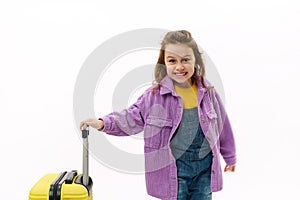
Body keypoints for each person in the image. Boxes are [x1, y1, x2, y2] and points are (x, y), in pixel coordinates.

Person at [80, 30, 236, 200]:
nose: (179, 66)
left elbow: (223, 125)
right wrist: (103, 123)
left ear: (195, 61)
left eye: (185, 60)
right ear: (164, 63)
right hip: (174, 169)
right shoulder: (154, 96)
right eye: (172, 61)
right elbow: (130, 117)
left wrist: (230, 156)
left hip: (205, 168)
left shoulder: (208, 92)